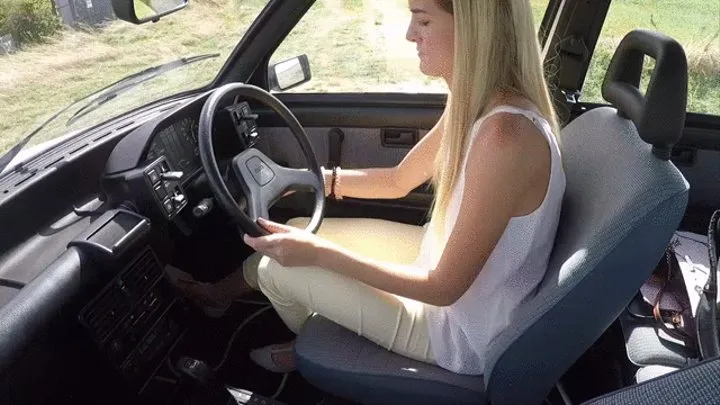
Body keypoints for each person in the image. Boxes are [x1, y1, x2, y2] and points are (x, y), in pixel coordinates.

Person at [168, 0, 566, 375]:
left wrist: (322, 256)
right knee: (303, 228)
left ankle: (313, 349)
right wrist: (315, 180)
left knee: (276, 267)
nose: (411, 34)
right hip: (441, 262)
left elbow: (444, 288)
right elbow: (399, 181)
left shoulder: (504, 136)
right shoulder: (480, 102)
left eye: (423, 19)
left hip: (460, 331)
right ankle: (218, 297)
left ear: (477, 29)